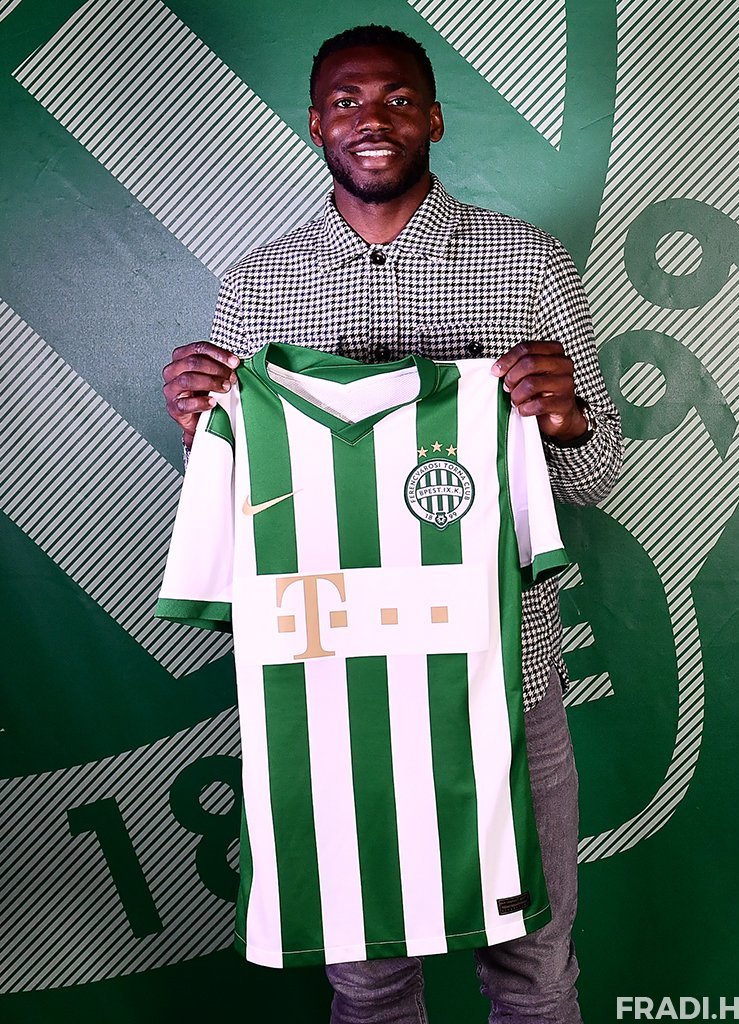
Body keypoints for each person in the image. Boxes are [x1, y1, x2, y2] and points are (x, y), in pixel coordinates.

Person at [162, 24, 622, 1024]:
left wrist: (566, 416)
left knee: (535, 976)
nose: (370, 119)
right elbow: (247, 507)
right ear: (316, 122)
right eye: (345, 101)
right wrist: (208, 431)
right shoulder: (259, 284)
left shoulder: (526, 263)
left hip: (505, 682)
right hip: (335, 696)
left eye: (397, 99)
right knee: (368, 983)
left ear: (436, 117)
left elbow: (594, 478)